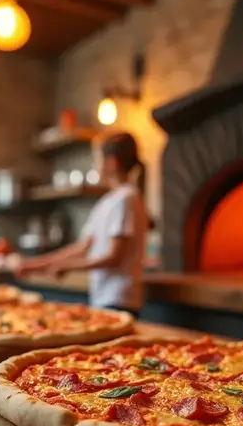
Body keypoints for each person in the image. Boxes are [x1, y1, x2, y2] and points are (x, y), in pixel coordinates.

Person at [17, 132, 149, 317]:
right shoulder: (109, 201)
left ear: (111, 162)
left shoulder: (127, 198)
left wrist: (68, 266)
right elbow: (82, 247)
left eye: (97, 159)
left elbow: (114, 257)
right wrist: (34, 265)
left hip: (120, 299)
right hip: (104, 299)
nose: (95, 165)